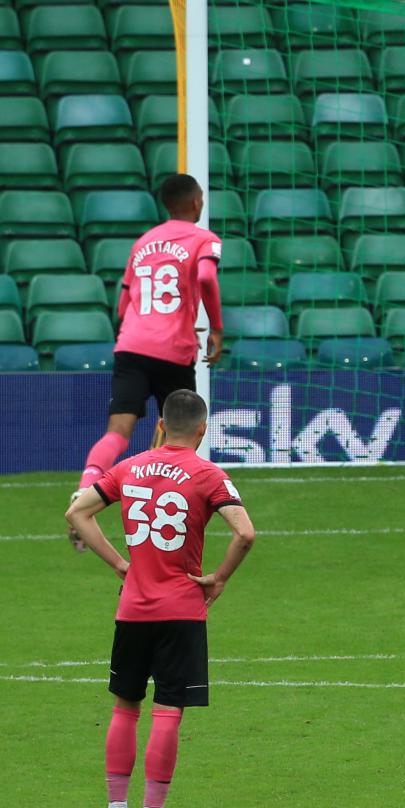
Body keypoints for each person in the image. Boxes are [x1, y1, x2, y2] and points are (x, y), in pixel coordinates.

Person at [63, 389, 256, 808]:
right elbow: (245, 533)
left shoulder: (128, 468)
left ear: (162, 425)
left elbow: (77, 513)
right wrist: (220, 577)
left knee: (124, 707)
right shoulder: (207, 473)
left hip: (132, 609)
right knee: (168, 710)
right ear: (203, 429)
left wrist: (118, 564)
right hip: (182, 610)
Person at [72, 174, 224, 548]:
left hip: (132, 345)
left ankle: (83, 492)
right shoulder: (204, 239)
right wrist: (215, 327)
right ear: (195, 202)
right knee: (183, 433)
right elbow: (205, 276)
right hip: (173, 350)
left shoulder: (143, 242)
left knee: (117, 431)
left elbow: (125, 303)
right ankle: (165, 507)